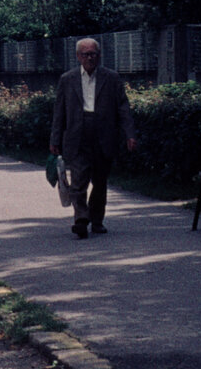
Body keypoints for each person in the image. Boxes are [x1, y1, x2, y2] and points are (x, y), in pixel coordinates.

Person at [50, 38, 137, 239]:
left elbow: (123, 108)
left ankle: (96, 221)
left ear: (99, 56)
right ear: (78, 56)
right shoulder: (67, 79)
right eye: (86, 54)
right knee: (78, 180)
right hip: (77, 135)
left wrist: (130, 134)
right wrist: (55, 139)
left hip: (103, 136)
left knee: (100, 182)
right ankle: (81, 219)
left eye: (93, 54)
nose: (90, 58)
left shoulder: (112, 78)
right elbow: (59, 112)